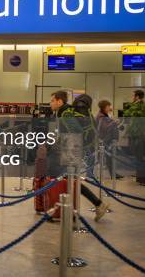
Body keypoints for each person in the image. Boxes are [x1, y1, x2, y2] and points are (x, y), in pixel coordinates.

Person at [49, 90, 109, 222]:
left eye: (52, 100)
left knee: (69, 181)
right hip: (71, 151)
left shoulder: (65, 114)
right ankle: (95, 204)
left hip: (71, 152)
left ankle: (92, 206)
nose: (50, 103)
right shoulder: (64, 112)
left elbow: (76, 131)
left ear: (60, 101)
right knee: (71, 181)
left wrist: (62, 145)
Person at [96, 100, 122, 179]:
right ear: (104, 107)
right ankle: (112, 175)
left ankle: (113, 174)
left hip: (107, 140)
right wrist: (115, 122)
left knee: (110, 158)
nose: (110, 108)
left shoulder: (104, 115)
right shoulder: (101, 116)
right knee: (107, 158)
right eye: (108, 106)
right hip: (105, 140)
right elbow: (105, 127)